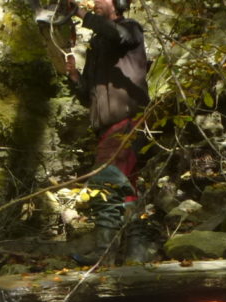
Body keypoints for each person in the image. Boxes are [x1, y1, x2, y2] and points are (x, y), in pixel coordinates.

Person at [65, 0, 151, 264]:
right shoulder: (98, 46)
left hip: (126, 123)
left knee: (106, 183)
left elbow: (116, 34)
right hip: (108, 129)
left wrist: (81, 13)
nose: (94, 3)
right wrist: (75, 77)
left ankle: (104, 253)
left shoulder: (130, 29)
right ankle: (137, 252)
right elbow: (89, 95)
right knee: (125, 190)